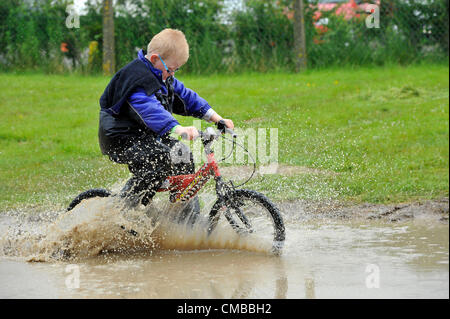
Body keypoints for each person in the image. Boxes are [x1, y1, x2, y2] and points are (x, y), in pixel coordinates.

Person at [98, 28, 234, 218]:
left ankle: (184, 218)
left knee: (182, 154)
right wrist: (178, 128)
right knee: (158, 160)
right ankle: (123, 212)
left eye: (177, 69)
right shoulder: (137, 80)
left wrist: (216, 118)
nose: (173, 74)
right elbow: (150, 109)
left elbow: (186, 97)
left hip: (144, 135)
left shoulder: (163, 76)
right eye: (171, 69)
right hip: (121, 138)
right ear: (155, 59)